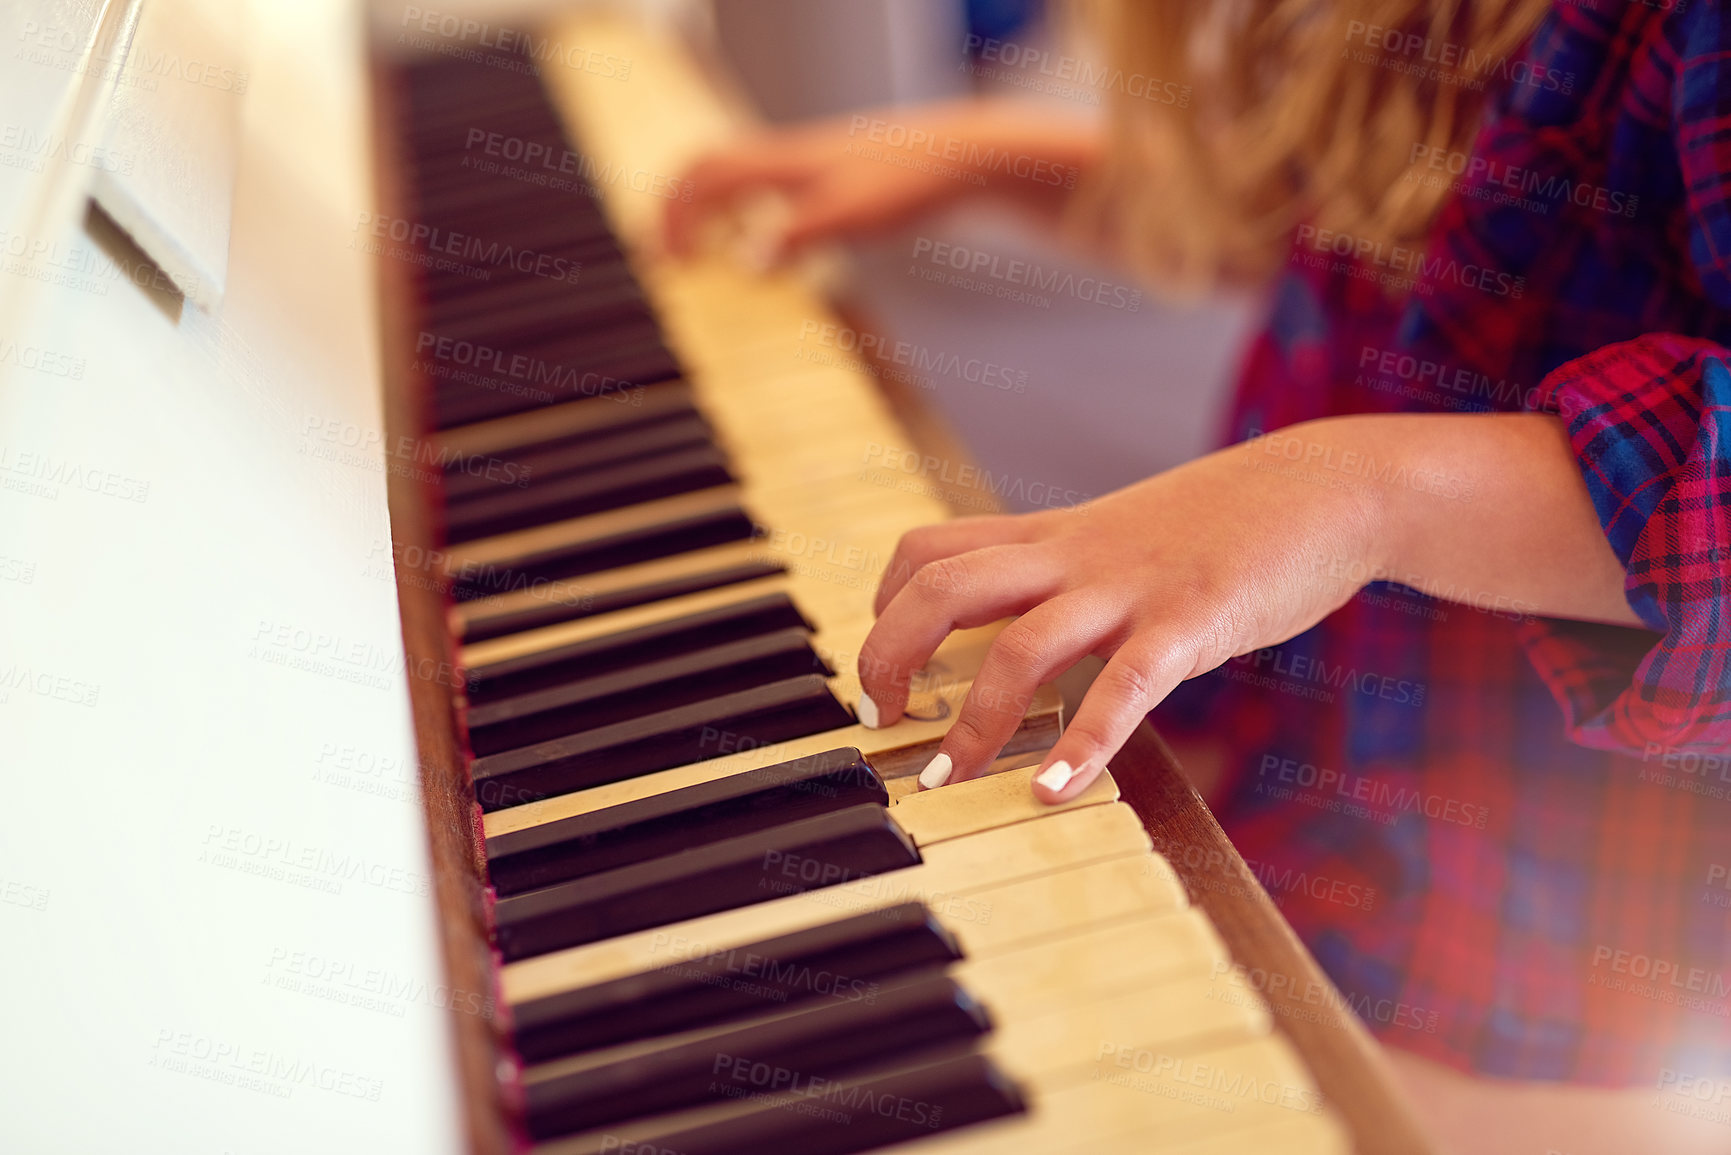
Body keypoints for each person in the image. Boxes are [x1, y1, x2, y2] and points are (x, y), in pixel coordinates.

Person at [664, 2, 1731, 1150]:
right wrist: (1002, 159)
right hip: (1321, 812)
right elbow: (1432, 237)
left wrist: (1368, 493)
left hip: (1555, 982)